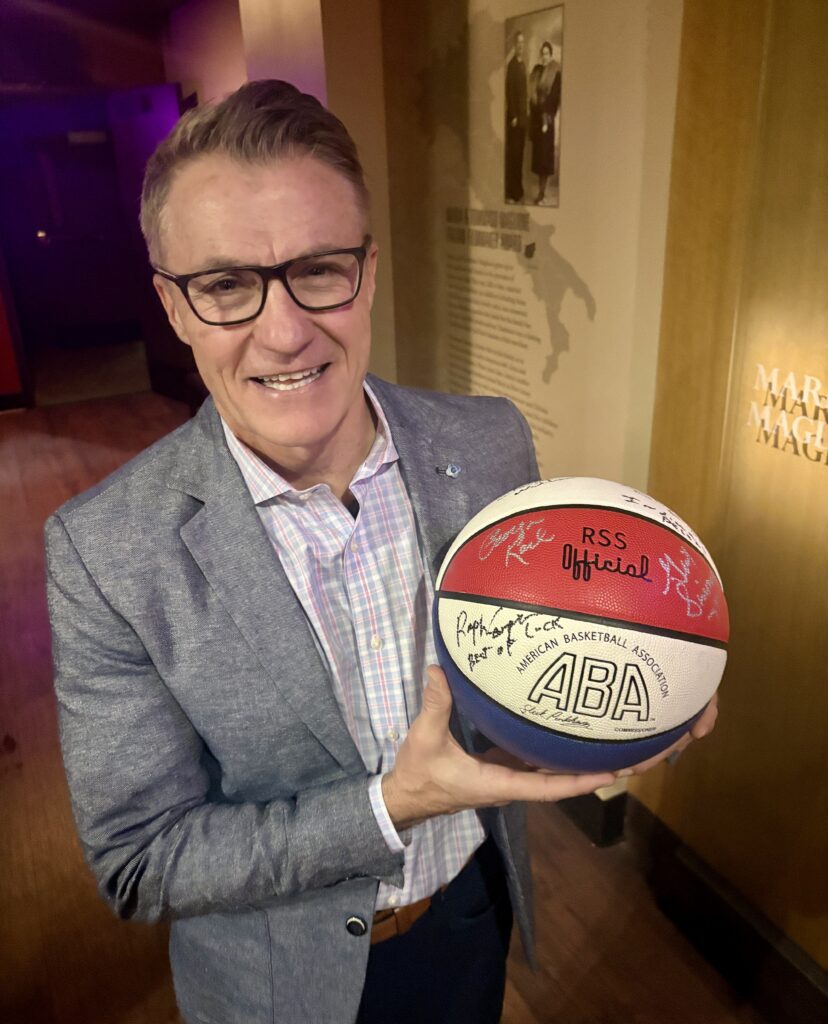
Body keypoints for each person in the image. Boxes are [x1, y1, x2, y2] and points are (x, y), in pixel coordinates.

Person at [45, 81, 717, 1024]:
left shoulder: (488, 443)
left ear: (367, 267)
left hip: (470, 922)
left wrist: (637, 685)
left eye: (319, 268)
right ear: (174, 306)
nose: (284, 332)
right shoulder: (105, 551)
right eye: (226, 285)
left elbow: (528, 650)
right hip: (282, 990)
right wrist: (386, 808)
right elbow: (140, 859)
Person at [529, 41, 562, 205]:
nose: (545, 56)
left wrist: (545, 120)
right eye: (543, 53)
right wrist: (536, 116)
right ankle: (540, 193)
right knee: (539, 160)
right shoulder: (537, 71)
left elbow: (554, 99)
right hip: (536, 120)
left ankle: (543, 193)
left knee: (545, 160)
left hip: (546, 121)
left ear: (551, 55)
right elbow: (532, 96)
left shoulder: (556, 72)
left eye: (547, 53)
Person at [505, 30, 528, 203]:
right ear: (514, 45)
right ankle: (512, 193)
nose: (520, 46)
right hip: (514, 119)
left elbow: (524, 93)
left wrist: (523, 115)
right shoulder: (512, 66)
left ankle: (518, 190)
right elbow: (509, 92)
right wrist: (513, 115)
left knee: (520, 154)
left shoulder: (522, 65)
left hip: (522, 119)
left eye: (522, 43)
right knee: (513, 155)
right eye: (518, 43)